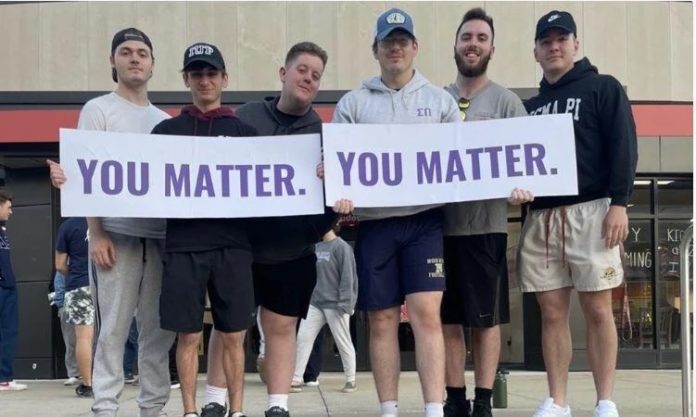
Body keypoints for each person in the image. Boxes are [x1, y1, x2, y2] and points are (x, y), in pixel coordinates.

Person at [331, 8, 460, 417]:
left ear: (415, 47)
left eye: (403, 41)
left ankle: (433, 409)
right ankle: (389, 408)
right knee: (382, 318)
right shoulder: (353, 103)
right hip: (375, 224)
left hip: (424, 221)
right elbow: (338, 165)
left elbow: (464, 162)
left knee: (426, 314)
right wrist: (340, 191)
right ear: (376, 49)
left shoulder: (441, 101)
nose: (396, 48)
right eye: (388, 42)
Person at [47, 28, 176, 417]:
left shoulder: (165, 120)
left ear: (152, 64)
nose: (135, 58)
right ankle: (106, 406)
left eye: (142, 53)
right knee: (114, 328)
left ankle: (153, 406)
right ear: (113, 61)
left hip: (158, 237)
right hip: (115, 236)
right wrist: (97, 231)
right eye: (126, 52)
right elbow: (85, 173)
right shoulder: (98, 109)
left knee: (156, 329)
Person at [520, 10, 637, 417]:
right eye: (545, 41)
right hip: (543, 217)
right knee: (552, 313)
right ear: (535, 51)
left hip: (593, 210)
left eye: (561, 39)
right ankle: (559, 400)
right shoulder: (529, 107)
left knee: (598, 308)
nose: (554, 46)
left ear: (575, 44)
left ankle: (605, 399)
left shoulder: (603, 88)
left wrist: (619, 202)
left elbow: (623, 145)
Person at [231, 40, 337, 417]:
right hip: (240, 247)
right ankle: (214, 400)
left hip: (291, 252)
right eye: (302, 70)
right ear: (283, 73)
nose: (308, 78)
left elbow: (329, 211)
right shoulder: (244, 117)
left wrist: (333, 196)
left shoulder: (324, 138)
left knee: (281, 329)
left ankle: (278, 406)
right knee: (230, 330)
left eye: (316, 75)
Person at [152, 42, 257, 417]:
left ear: (224, 78)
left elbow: (274, 184)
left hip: (233, 246)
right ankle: (190, 411)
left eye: (211, 73)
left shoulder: (247, 133)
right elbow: (135, 180)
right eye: (197, 74)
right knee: (188, 334)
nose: (205, 80)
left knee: (233, 334)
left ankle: (238, 410)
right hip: (183, 245)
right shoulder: (165, 132)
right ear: (186, 79)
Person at [440, 8, 532, 417]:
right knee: (447, 321)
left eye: (480, 38)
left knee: (486, 319)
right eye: (466, 37)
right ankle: (454, 398)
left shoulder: (508, 102)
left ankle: (482, 402)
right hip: (437, 227)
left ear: (491, 48)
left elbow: (530, 161)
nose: (472, 44)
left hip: (486, 228)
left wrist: (525, 186)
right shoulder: (434, 101)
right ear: (455, 45)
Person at [291, 223, 358, 394]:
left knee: (343, 341)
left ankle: (351, 379)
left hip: (336, 304)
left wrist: (346, 303)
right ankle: (296, 378)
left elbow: (348, 276)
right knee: (303, 338)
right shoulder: (316, 246)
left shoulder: (342, 247)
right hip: (315, 302)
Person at [55, 217, 94, 398]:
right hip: (106, 283)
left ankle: (88, 384)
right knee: (109, 335)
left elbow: (60, 264)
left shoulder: (68, 226)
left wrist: (76, 274)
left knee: (83, 338)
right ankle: (109, 380)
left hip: (79, 284)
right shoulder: (107, 219)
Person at [0, 190, 26, 392]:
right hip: (2, 287)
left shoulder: (2, 232)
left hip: (8, 288)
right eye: (8, 207)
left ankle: (4, 378)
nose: (11, 211)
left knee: (9, 332)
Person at [52, 270, 81, 386]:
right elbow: (59, 286)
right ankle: (74, 373)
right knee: (71, 342)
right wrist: (61, 306)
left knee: (73, 342)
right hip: (68, 306)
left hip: (74, 305)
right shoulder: (64, 268)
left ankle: (79, 373)